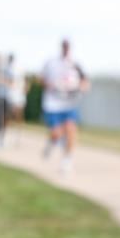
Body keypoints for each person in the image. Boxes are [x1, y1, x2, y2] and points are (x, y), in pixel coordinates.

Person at [41, 39, 89, 174]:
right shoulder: (51, 63)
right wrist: (51, 85)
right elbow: (42, 79)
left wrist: (81, 87)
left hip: (70, 103)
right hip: (53, 104)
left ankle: (67, 160)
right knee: (57, 132)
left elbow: (85, 81)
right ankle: (54, 140)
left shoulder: (76, 64)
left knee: (71, 129)